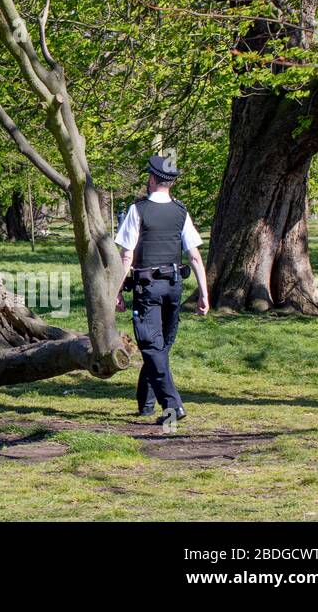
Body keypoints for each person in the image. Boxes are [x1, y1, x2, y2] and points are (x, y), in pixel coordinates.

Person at [113, 154, 209, 431]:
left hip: (147, 287)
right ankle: (146, 404)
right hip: (174, 286)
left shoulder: (138, 210)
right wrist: (204, 292)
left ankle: (172, 404)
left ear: (153, 178)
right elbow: (195, 256)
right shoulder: (181, 211)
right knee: (160, 346)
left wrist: (116, 291)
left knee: (151, 346)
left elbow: (126, 256)